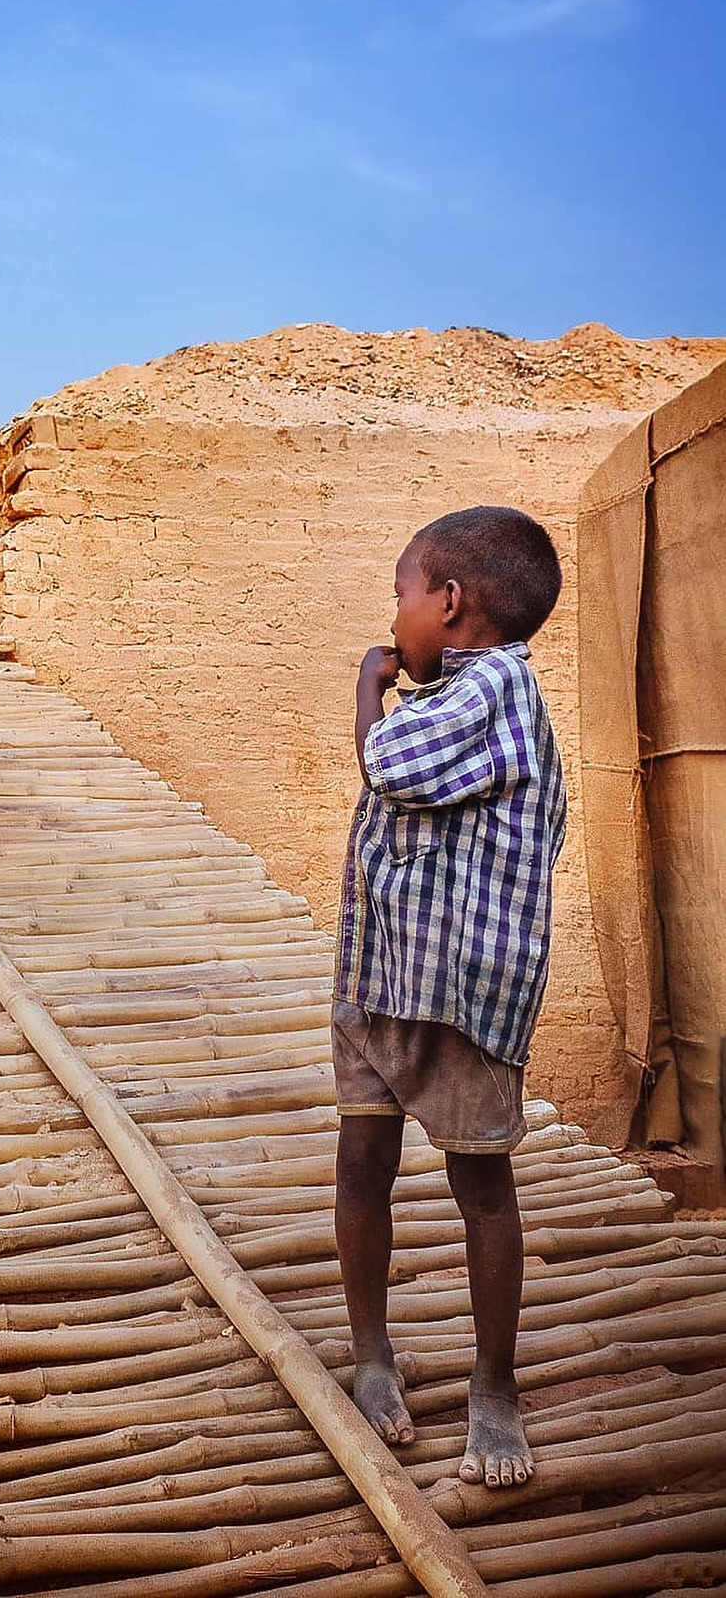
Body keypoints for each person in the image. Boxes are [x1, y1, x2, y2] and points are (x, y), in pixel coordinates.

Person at [333, 505, 566, 1491]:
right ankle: (374, 1356)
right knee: (362, 1160)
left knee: (482, 1191)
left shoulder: (495, 688)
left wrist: (367, 688)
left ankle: (495, 1383)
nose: (397, 615)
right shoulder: (464, 693)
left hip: (457, 999)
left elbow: (389, 766)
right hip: (385, 979)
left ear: (450, 601)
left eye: (404, 593)